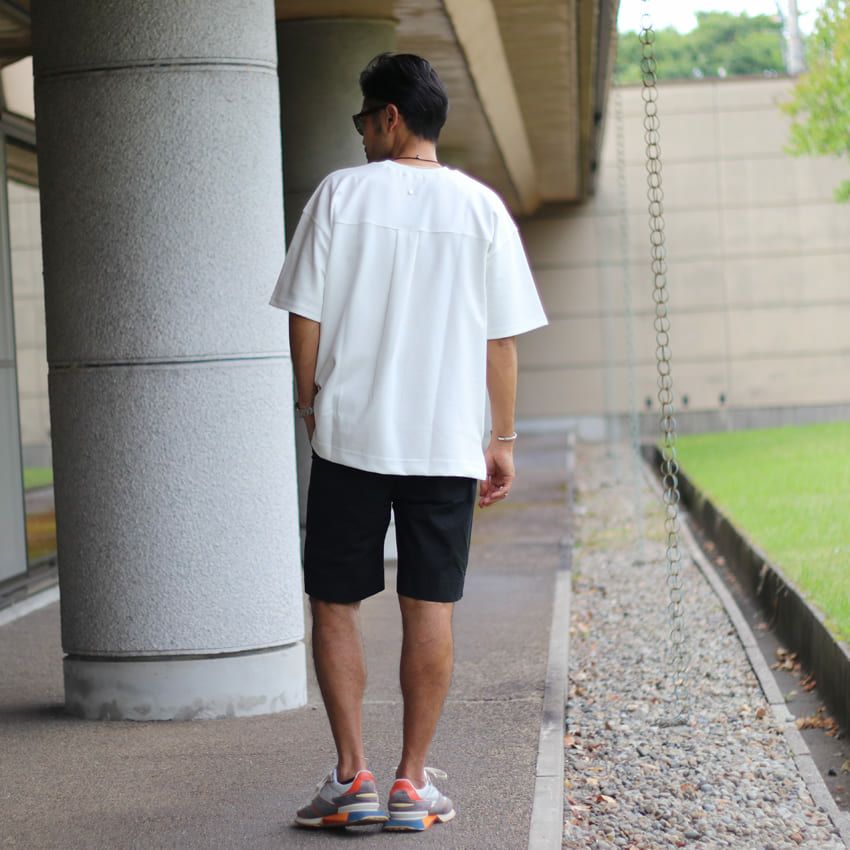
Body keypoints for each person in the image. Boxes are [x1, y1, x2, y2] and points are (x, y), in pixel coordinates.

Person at [269, 52, 547, 832]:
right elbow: (501, 341)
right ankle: (410, 783)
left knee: (335, 602)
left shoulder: (339, 194)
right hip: (445, 443)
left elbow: (304, 315)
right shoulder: (483, 208)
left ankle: (352, 776)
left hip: (350, 439)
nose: (361, 134)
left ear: (390, 117)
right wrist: (502, 439)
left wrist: (309, 403)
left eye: (365, 119)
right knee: (431, 605)